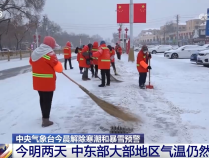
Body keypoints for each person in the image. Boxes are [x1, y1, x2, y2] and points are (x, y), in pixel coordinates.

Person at [29, 36, 63, 127]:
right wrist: (58, 65)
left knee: (42, 99)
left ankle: (44, 115)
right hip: (47, 82)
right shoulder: (50, 54)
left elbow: (31, 62)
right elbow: (58, 68)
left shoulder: (35, 52)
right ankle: (46, 120)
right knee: (48, 100)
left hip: (37, 81)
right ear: (51, 44)